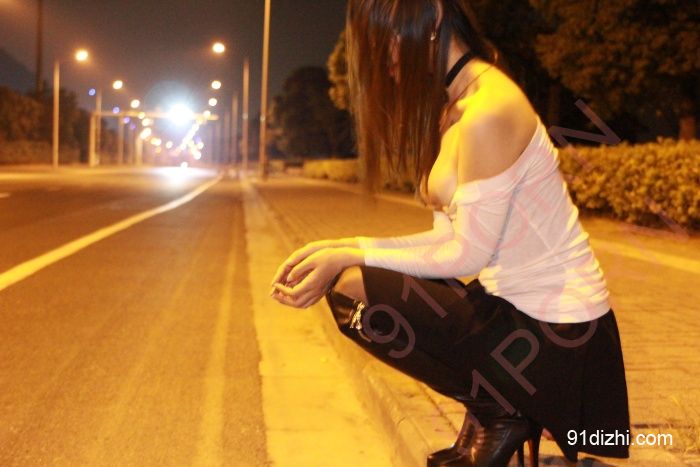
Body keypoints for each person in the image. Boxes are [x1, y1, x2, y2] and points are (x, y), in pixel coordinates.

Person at [271, 1, 631, 465]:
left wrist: (350, 254)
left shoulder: (490, 109)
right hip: (513, 311)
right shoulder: (454, 107)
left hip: (557, 331)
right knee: (350, 287)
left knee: (355, 286)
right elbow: (446, 239)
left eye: (387, 39)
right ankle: (497, 407)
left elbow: (466, 255)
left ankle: (502, 409)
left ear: (434, 16)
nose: (383, 58)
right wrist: (339, 247)